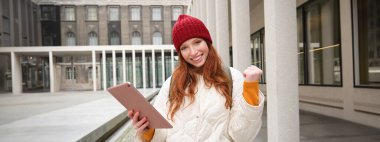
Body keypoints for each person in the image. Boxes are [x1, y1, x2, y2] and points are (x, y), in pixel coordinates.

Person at [128, 14, 265, 142]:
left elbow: (242, 135)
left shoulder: (232, 77)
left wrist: (251, 91)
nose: (193, 52)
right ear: (180, 53)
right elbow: (161, 135)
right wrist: (147, 130)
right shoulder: (171, 84)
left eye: (197, 42)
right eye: (184, 47)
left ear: (207, 42)